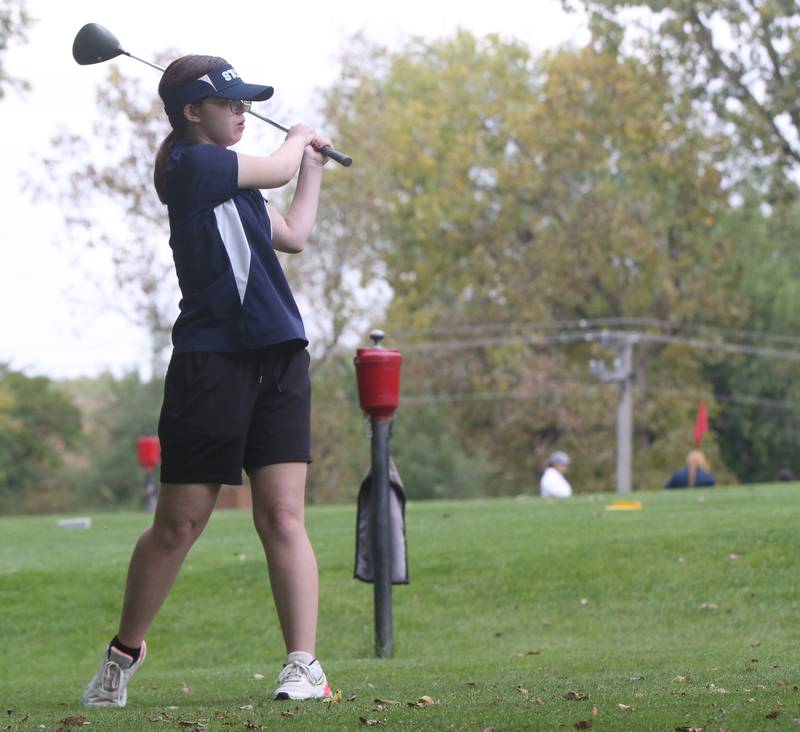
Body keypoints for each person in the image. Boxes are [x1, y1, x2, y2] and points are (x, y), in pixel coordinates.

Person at [83, 55, 334, 708]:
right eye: (230, 105)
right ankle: (123, 655)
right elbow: (276, 163)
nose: (242, 112)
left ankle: (303, 665)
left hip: (279, 355)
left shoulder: (238, 184)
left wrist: (310, 171)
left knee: (282, 514)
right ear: (193, 113)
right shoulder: (190, 166)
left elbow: (296, 234)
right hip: (210, 362)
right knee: (179, 523)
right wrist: (299, 139)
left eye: (245, 103)